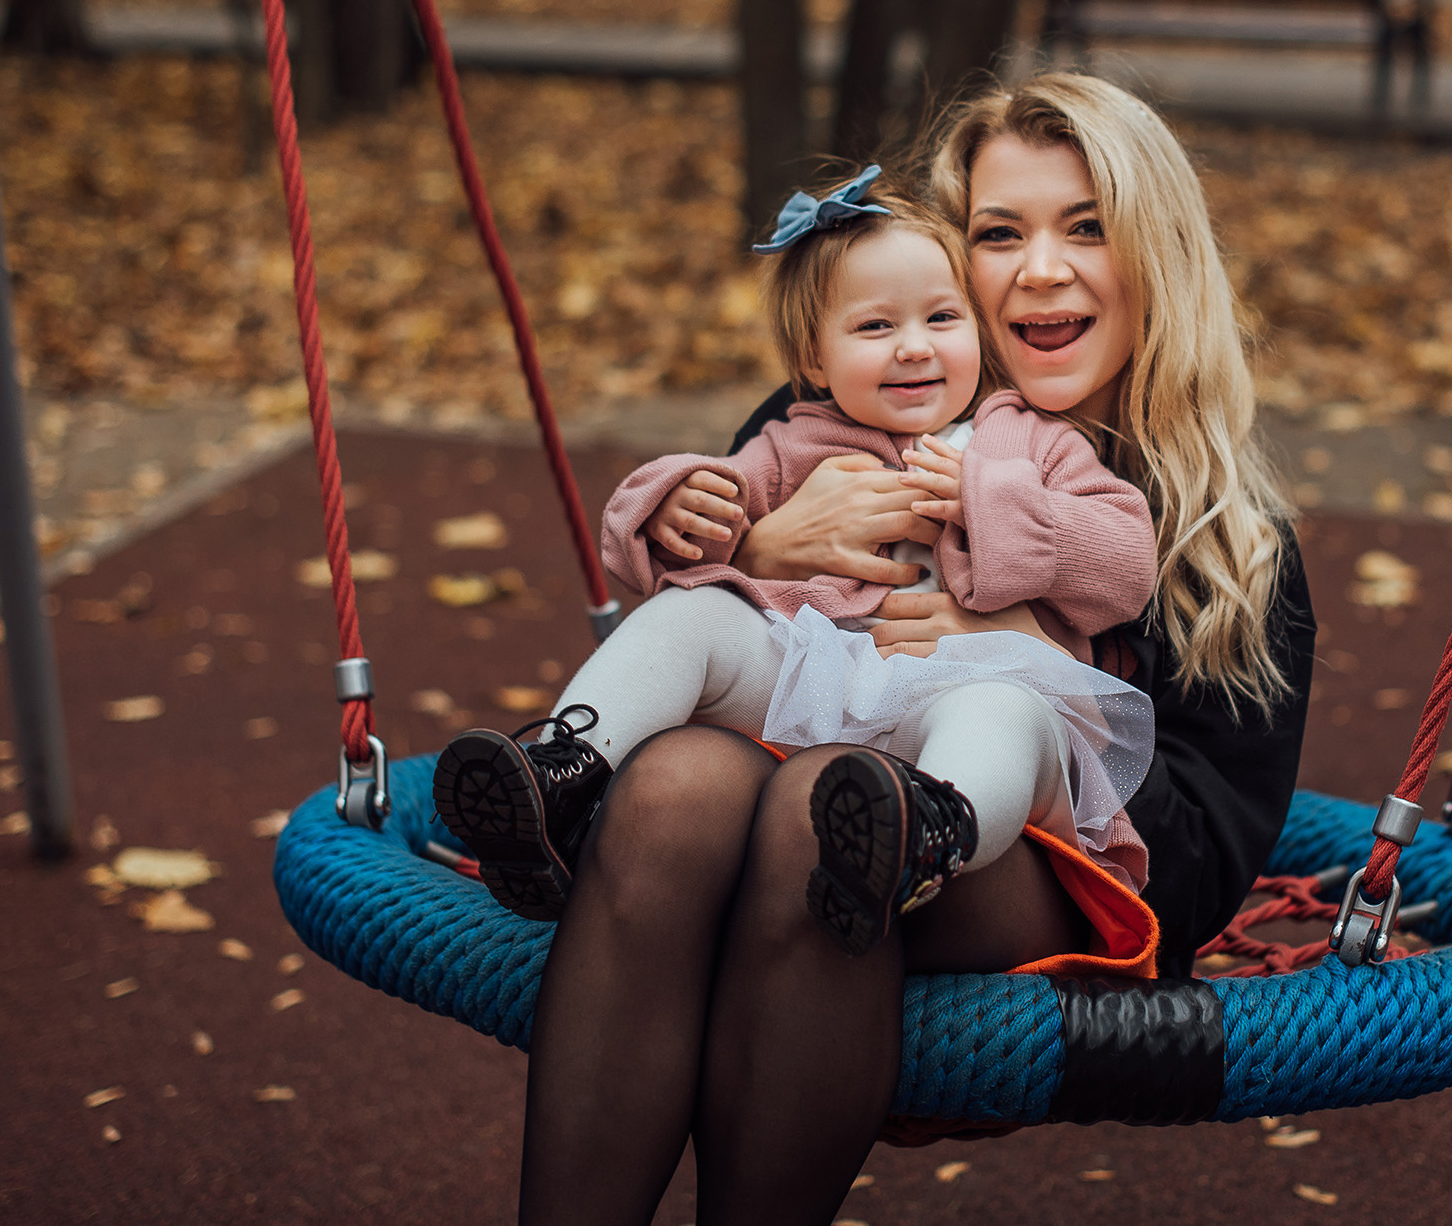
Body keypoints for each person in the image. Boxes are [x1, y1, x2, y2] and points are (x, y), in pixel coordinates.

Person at [495, 72, 1318, 1225]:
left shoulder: (1222, 539)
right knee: (671, 787)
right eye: (998, 234)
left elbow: (1197, 869)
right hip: (808, 771)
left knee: (820, 811)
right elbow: (718, 578)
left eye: (1086, 227)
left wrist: (1028, 642)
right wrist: (768, 542)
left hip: (1015, 856)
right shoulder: (852, 416)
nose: (1038, 268)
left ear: (1158, 256)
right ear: (948, 258)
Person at [432, 167, 1157, 956]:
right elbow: (699, 530)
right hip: (821, 689)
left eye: (942, 317)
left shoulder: (1032, 442)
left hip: (973, 694)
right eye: (875, 327)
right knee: (691, 615)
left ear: (977, 333)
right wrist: (675, 506)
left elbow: (1125, 564)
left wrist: (993, 499)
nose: (915, 346)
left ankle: (928, 836)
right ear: (813, 360)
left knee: (1001, 717)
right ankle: (563, 776)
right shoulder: (795, 442)